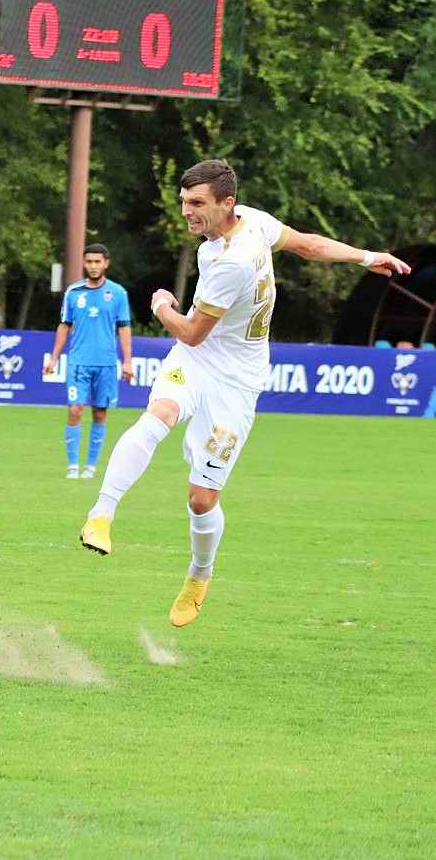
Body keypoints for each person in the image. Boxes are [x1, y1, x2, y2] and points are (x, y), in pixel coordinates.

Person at [79, 159, 411, 627]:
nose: (186, 212)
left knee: (202, 499)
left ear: (226, 202)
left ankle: (199, 576)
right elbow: (306, 245)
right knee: (159, 414)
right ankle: (101, 514)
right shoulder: (251, 221)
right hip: (194, 363)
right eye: (183, 202)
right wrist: (364, 257)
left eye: (197, 203)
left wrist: (161, 305)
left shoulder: (229, 262)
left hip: (236, 380)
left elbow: (191, 331)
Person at [44, 244, 133, 480]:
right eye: (89, 262)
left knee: (100, 413)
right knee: (75, 409)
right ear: (84, 263)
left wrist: (127, 361)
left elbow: (124, 328)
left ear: (106, 263)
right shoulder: (73, 292)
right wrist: (54, 358)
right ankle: (73, 465)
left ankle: (91, 466)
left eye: (97, 262)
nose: (93, 266)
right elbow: (64, 325)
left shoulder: (118, 293)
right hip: (78, 362)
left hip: (106, 363)